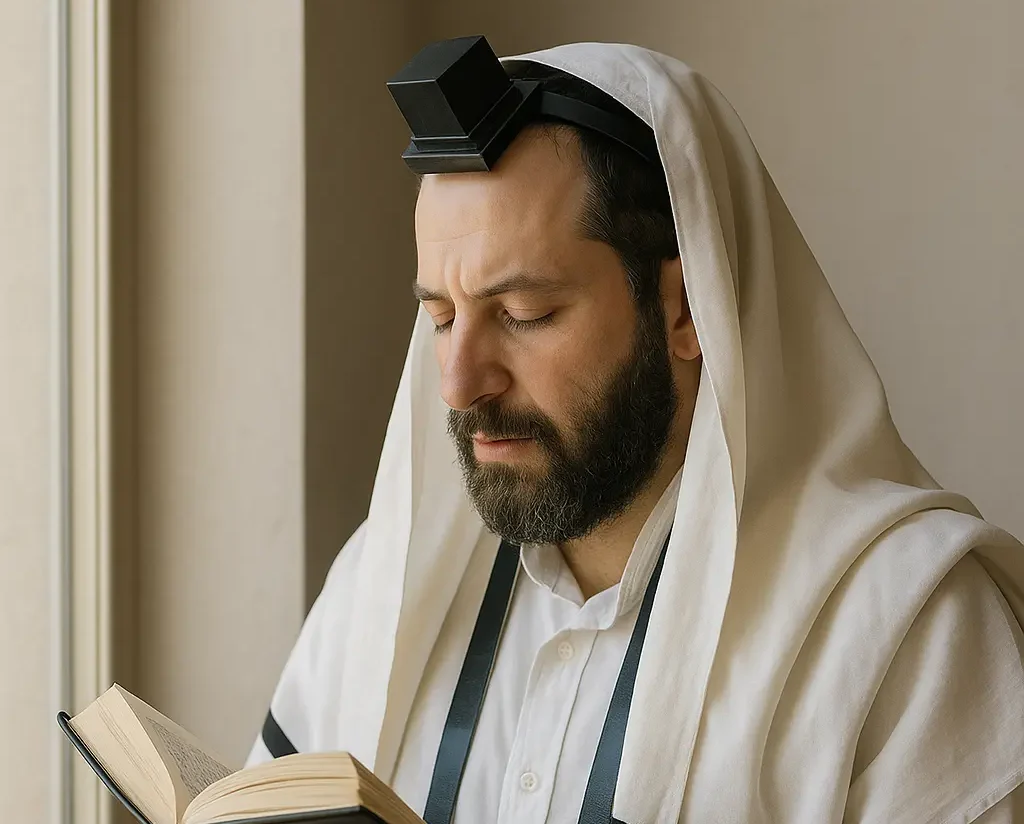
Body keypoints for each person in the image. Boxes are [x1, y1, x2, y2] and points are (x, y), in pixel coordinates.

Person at [247, 42, 1024, 823]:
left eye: (525, 315)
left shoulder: (914, 636)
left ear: (685, 307)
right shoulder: (374, 591)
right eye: (442, 320)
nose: (458, 383)